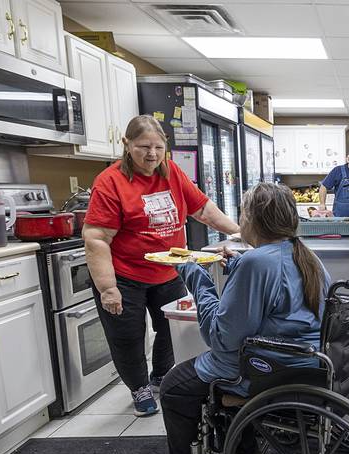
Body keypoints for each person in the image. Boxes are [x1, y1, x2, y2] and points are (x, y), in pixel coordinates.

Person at [154, 182, 331, 454]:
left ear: (252, 220)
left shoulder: (257, 263)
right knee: (222, 373)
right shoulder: (305, 255)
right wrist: (238, 266)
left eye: (242, 213)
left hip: (266, 369)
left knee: (174, 388)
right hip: (304, 363)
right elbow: (279, 297)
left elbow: (222, 338)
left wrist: (196, 277)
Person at [83, 115, 239, 417]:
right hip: (123, 274)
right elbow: (96, 238)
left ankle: (160, 375)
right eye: (143, 147)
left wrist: (240, 232)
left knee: (171, 327)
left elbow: (204, 210)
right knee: (127, 335)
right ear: (127, 145)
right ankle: (139, 387)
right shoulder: (110, 182)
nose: (152, 154)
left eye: (158, 147)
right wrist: (108, 288)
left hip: (169, 269)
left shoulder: (171, 173)